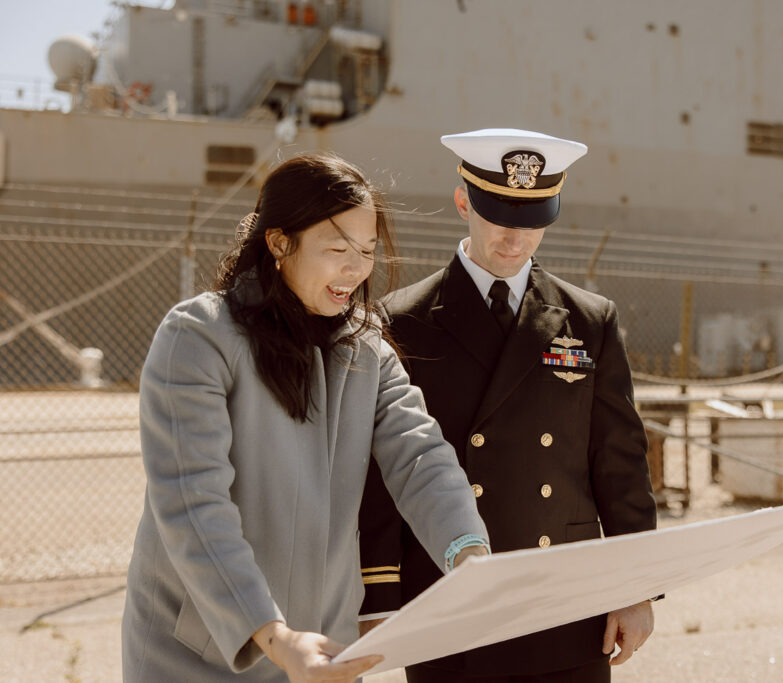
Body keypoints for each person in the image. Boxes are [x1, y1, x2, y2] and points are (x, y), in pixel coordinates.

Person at [121, 152, 490, 683]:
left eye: (366, 251)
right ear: (278, 243)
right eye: (337, 249)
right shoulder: (197, 336)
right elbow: (193, 505)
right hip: (203, 654)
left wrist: (467, 554)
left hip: (322, 652)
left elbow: (422, 456)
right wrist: (275, 635)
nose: (357, 269)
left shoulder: (366, 351)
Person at [358, 129, 658, 682]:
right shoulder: (400, 320)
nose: (515, 237)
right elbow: (382, 472)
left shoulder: (590, 319)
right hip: (451, 600)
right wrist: (378, 596)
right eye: (499, 214)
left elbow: (619, 464)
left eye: (534, 219)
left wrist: (635, 590)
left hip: (565, 602)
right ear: (463, 201)